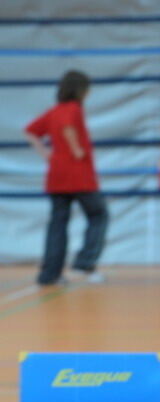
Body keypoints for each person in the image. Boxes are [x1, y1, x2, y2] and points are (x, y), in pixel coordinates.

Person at [25, 70, 109, 286]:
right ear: (80, 89)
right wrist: (76, 148)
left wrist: (45, 153)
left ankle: (49, 274)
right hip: (77, 174)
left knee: (57, 225)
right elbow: (68, 126)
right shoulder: (73, 108)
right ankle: (85, 263)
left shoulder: (53, 111)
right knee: (99, 214)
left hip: (57, 175)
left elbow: (30, 131)